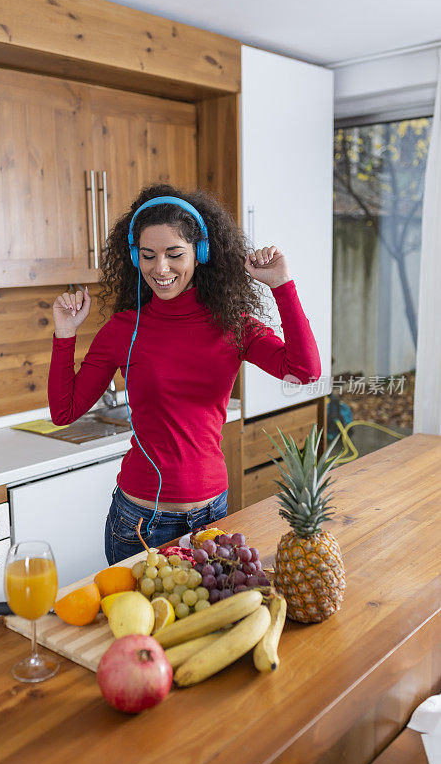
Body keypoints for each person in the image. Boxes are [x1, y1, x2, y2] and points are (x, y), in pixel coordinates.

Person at [48, 183, 321, 565]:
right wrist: (64, 334)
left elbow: (305, 372)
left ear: (201, 252)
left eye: (174, 254)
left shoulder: (233, 325)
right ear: (135, 257)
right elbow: (65, 411)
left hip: (213, 516)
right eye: (148, 256)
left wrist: (282, 285)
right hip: (141, 523)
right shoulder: (124, 330)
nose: (160, 269)